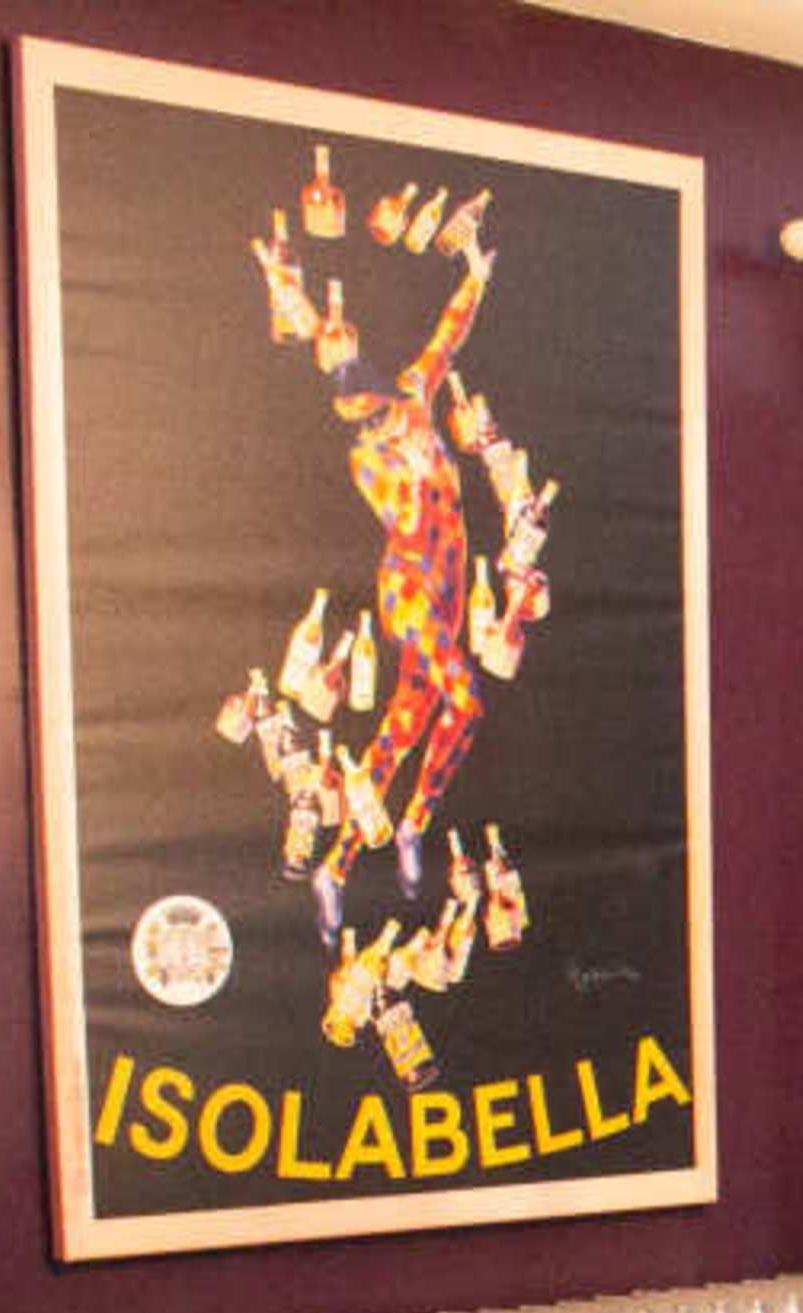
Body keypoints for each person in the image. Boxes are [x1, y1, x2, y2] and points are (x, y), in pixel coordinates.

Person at [307, 222, 495, 938]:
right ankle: (414, 824)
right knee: (466, 701)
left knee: (402, 730)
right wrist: (413, 471)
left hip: (447, 590)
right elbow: (404, 522)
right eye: (363, 420)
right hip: (411, 587)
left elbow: (447, 337)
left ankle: (338, 866)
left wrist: (476, 274)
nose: (373, 425)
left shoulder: (414, 397)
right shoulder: (372, 464)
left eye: (376, 412)